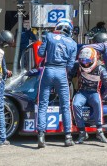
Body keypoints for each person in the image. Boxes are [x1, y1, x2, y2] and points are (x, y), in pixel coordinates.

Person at [37, 18, 77, 148]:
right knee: (65, 105)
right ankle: (68, 137)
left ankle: (41, 136)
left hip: (48, 70)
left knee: (43, 104)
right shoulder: (72, 43)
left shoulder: (49, 36)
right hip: (62, 72)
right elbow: (71, 65)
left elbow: (40, 53)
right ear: (69, 28)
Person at [71, 47, 107, 144]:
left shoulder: (101, 69)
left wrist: (103, 98)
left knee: (98, 102)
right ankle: (82, 132)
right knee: (75, 104)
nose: (85, 64)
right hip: (82, 91)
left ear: (94, 59)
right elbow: (69, 74)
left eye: (88, 61)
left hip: (94, 92)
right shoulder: (78, 65)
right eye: (83, 61)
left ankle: (99, 131)